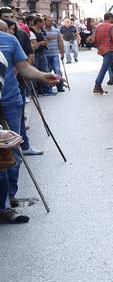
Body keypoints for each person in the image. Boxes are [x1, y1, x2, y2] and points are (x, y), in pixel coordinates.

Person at [0, 25, 61, 223]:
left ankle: (7, 199)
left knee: (10, 151)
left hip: (9, 100)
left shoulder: (9, 40)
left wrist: (43, 75)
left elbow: (23, 67)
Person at [92, 12, 113, 95]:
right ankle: (97, 85)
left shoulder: (98, 26)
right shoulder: (111, 26)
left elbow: (95, 40)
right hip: (110, 49)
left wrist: (99, 47)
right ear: (111, 18)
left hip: (102, 50)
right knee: (104, 68)